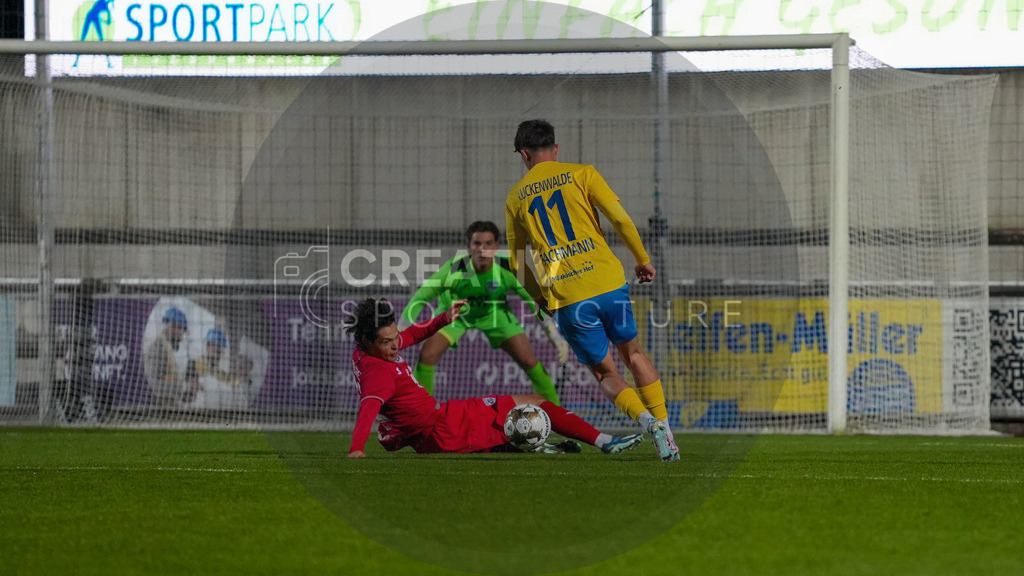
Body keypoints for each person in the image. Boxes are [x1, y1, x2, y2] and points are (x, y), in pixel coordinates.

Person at [504, 119, 679, 462]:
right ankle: (667, 435)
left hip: (568, 295)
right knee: (635, 355)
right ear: (555, 149)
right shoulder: (582, 173)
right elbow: (621, 219)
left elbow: (517, 263)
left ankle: (646, 423)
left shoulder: (515, 198)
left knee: (605, 373)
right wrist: (642, 259)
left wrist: (539, 298)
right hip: (608, 282)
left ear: (524, 155)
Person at [345, 297, 643, 458]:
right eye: (387, 342)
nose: (396, 344)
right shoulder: (379, 372)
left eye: (394, 337)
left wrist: (443, 319)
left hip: (439, 424)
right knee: (535, 402)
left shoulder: (370, 351)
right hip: (442, 429)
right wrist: (357, 448)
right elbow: (369, 407)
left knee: (498, 427)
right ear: (369, 340)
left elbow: (412, 334)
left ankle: (537, 445)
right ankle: (605, 442)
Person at [400, 220, 569, 404]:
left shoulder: (509, 268)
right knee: (427, 355)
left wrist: (554, 336)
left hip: (494, 314)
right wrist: (400, 331)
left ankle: (557, 413)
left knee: (528, 361)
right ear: (469, 246)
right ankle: (421, 412)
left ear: (496, 246)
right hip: (457, 315)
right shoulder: (455, 269)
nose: (483, 249)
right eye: (477, 244)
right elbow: (420, 298)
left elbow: (534, 301)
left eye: (488, 244)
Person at [183, 328, 253, 409]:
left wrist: (243, 381)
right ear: (207, 346)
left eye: (220, 351)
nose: (218, 354)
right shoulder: (193, 364)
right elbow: (189, 390)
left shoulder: (220, 373)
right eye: (216, 350)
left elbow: (232, 386)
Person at [143, 307, 190, 407]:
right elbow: (152, 383)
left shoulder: (166, 347)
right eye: (182, 330)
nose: (182, 337)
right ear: (173, 327)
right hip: (160, 410)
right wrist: (182, 386)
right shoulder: (157, 347)